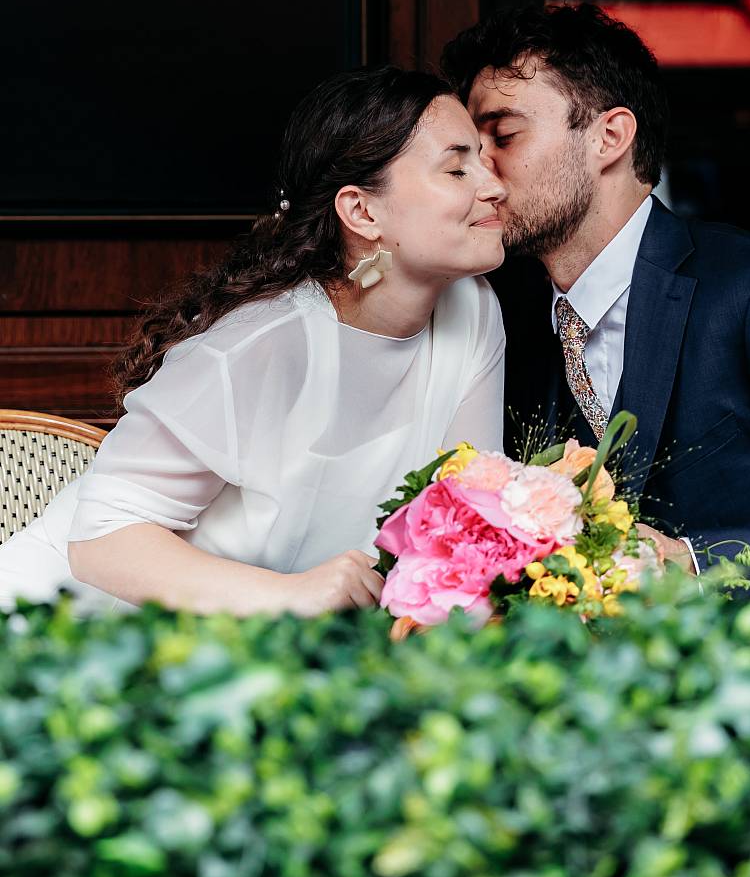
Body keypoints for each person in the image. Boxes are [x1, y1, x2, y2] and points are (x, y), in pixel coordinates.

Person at [441, 2, 750, 589]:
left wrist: (695, 562)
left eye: (503, 135)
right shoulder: (507, 316)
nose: (483, 174)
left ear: (611, 136)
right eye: (470, 150)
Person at [0, 66, 507, 615]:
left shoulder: (471, 312)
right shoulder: (266, 342)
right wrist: (292, 597)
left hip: (254, 659)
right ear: (362, 212)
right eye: (457, 169)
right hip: (72, 629)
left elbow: (464, 515)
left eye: (485, 158)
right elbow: (100, 537)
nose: (494, 186)